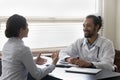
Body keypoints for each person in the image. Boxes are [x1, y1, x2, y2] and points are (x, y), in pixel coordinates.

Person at [0, 14, 59, 80]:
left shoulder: (6, 45)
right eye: (27, 26)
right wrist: (53, 64)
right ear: (21, 30)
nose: (28, 29)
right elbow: (37, 75)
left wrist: (34, 61)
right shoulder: (23, 49)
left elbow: (15, 65)